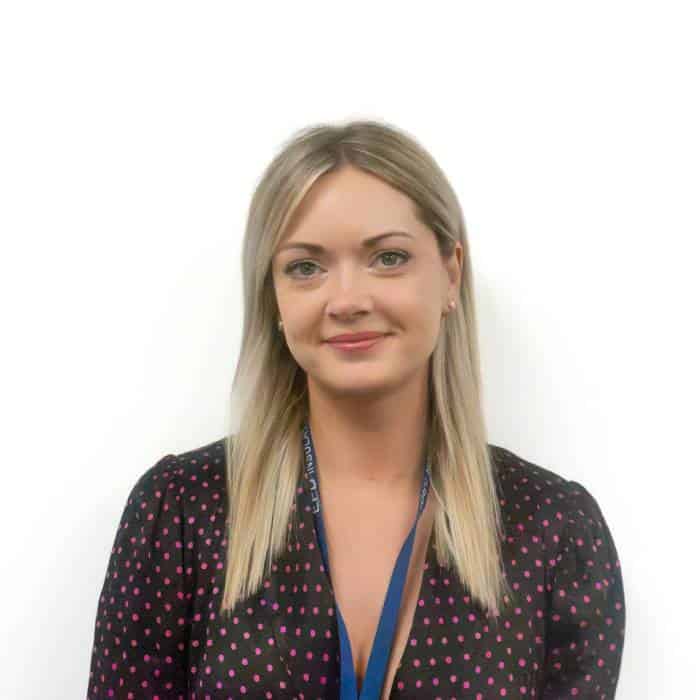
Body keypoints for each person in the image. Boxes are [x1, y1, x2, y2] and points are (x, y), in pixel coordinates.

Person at [86, 120, 626, 699]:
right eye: (305, 267)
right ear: (274, 297)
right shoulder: (181, 513)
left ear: (450, 273)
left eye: (388, 258)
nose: (347, 300)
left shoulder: (553, 530)